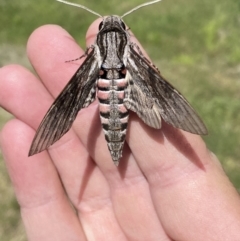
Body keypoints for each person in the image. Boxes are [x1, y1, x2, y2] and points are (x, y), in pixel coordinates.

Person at [0, 19, 240, 241]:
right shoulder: (130, 51)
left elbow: (89, 58)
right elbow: (145, 65)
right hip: (126, 87)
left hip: (105, 91)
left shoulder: (95, 52)